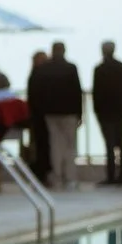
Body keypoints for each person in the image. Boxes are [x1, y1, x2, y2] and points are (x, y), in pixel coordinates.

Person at [27, 40, 83, 191]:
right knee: (70, 145)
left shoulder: (43, 69)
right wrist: (80, 113)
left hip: (50, 113)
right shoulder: (71, 68)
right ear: (64, 51)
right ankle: (70, 177)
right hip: (69, 112)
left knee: (55, 145)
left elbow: (37, 93)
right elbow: (77, 92)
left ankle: (57, 175)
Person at [91, 41, 122, 185]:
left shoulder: (99, 69)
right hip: (120, 110)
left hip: (105, 111)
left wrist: (96, 109)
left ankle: (111, 176)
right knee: (120, 141)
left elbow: (96, 92)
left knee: (109, 144)